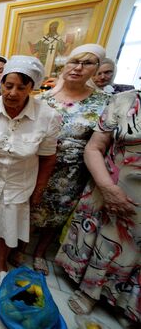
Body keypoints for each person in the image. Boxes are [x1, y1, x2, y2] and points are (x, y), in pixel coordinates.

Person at [0, 56, 61, 284]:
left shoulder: (47, 117)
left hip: (19, 183)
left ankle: (0, 263)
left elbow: (48, 159)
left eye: (21, 87)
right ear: (2, 84)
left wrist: (38, 191)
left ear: (31, 88)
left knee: (9, 224)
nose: (13, 93)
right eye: (8, 86)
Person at [23, 44, 111, 275]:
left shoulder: (103, 102)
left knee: (58, 212)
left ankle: (40, 253)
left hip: (73, 170)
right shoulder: (43, 99)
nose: (78, 68)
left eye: (87, 63)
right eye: (74, 62)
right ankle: (20, 248)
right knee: (29, 208)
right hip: (38, 165)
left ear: (96, 68)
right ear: (65, 65)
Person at [55, 91, 140, 325]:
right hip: (110, 186)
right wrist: (107, 188)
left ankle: (128, 304)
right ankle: (89, 289)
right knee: (106, 241)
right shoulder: (125, 101)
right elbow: (94, 147)